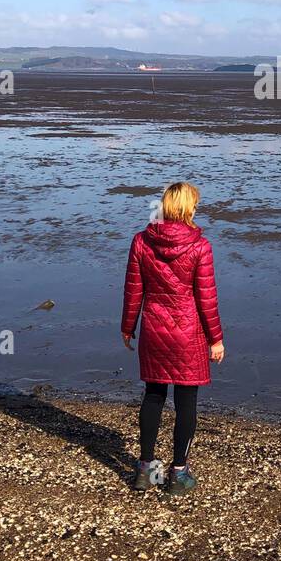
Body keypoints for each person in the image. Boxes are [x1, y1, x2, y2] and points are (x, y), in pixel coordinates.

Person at [121, 181, 224, 494]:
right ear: (189, 207)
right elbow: (206, 298)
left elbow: (133, 290)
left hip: (153, 328)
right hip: (187, 332)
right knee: (186, 400)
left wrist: (127, 327)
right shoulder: (200, 246)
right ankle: (178, 473)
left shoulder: (141, 241)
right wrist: (216, 339)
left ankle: (146, 470)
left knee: (153, 395)